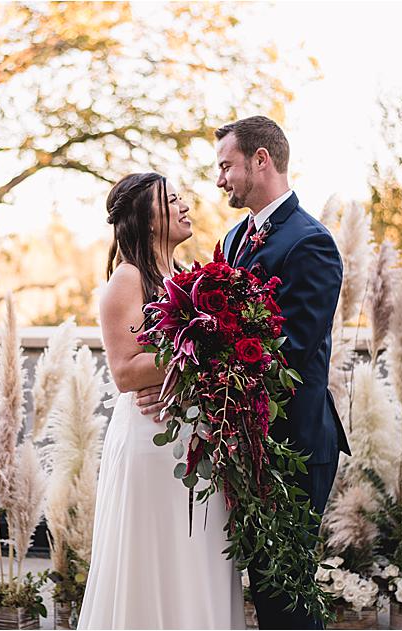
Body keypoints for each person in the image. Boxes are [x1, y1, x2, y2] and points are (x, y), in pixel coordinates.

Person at [137, 116, 351, 629]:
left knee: (286, 591)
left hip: (293, 445)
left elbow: (291, 354)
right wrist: (179, 377)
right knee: (265, 586)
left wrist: (189, 376)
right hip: (243, 442)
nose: (218, 179)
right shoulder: (234, 239)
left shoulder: (311, 243)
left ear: (261, 160)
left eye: (226, 165)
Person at [76, 172, 246, 630]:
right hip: (152, 445)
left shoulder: (184, 277)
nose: (185, 204)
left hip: (195, 439)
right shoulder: (127, 280)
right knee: (158, 562)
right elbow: (126, 372)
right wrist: (205, 347)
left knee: (199, 560)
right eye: (172, 200)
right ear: (148, 219)